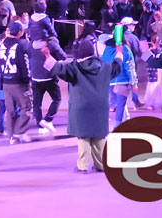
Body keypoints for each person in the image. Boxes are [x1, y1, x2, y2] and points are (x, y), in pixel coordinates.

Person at [41, 40, 123, 173]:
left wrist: (48, 56)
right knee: (99, 134)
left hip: (81, 106)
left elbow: (58, 68)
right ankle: (101, 164)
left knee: (83, 135)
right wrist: (119, 52)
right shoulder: (105, 67)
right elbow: (117, 66)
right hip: (100, 106)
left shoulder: (75, 68)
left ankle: (83, 165)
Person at [0, 22, 32, 144]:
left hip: (6, 81)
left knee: (10, 110)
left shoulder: (2, 44)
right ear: (20, 32)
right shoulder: (21, 44)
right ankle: (19, 131)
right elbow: (25, 62)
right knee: (26, 106)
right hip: (19, 82)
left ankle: (11, 136)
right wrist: (27, 79)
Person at [102, 33, 137, 129]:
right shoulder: (125, 49)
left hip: (110, 82)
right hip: (122, 81)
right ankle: (116, 127)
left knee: (118, 104)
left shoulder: (107, 49)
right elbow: (130, 67)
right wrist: (134, 82)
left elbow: (103, 63)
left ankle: (127, 122)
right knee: (121, 106)